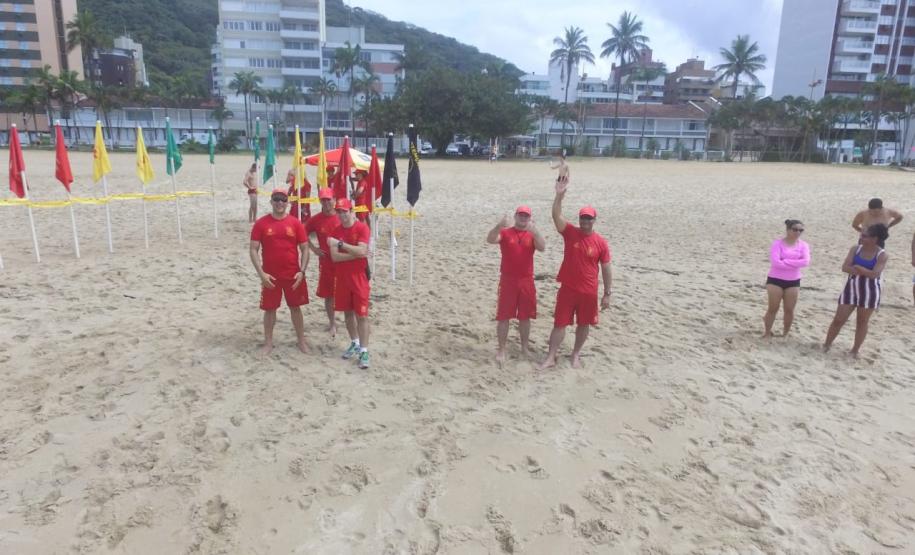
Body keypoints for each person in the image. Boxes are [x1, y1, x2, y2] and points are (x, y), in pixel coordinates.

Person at [540, 177, 612, 369]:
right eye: (583, 218)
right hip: (568, 288)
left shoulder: (601, 242)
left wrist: (607, 293)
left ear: (594, 220)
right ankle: (551, 356)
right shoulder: (571, 232)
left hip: (589, 291)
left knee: (584, 324)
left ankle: (576, 354)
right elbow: (556, 216)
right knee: (559, 324)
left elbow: (606, 268)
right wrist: (559, 195)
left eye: (589, 218)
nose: (585, 221)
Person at [249, 188, 311, 356]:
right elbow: (253, 249)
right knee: (270, 310)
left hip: (293, 275)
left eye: (283, 200)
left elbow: (305, 249)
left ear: (287, 202)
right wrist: (261, 274)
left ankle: (301, 341)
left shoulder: (295, 223)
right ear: (271, 201)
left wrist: (302, 271)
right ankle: (268, 343)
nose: (279, 203)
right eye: (276, 199)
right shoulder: (261, 223)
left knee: (296, 308)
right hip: (270, 276)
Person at [486, 206, 546, 366]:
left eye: (526, 216)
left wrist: (536, 231)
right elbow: (490, 239)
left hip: (526, 280)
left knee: (525, 317)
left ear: (529, 218)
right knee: (504, 316)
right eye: (521, 215)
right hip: (508, 280)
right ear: (515, 216)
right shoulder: (506, 232)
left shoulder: (532, 234)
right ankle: (502, 349)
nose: (523, 218)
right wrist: (499, 225)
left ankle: (525, 348)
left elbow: (542, 247)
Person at [823, 224, 889, 358]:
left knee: (862, 322)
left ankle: (855, 350)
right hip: (851, 288)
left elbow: (874, 274)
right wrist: (865, 271)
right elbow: (845, 267)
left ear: (874, 239)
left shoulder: (882, 254)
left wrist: (858, 267)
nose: (861, 237)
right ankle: (827, 344)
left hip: (870, 291)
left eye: (864, 236)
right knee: (838, 319)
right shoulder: (855, 249)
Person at [329, 198, 372, 369]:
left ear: (351, 211)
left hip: (359, 277)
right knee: (347, 314)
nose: (342, 215)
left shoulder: (361, 227)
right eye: (339, 212)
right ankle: (354, 342)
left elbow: (362, 250)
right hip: (342, 278)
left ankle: (364, 350)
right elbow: (335, 257)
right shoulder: (335, 230)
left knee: (362, 315)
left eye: (344, 211)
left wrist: (340, 244)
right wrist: (356, 253)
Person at [762, 219, 810, 338]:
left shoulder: (803, 245)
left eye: (800, 230)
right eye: (795, 229)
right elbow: (776, 262)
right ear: (788, 230)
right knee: (773, 308)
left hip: (793, 281)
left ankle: (785, 333)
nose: (798, 232)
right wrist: (795, 262)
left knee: (789, 309)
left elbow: (805, 262)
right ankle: (767, 332)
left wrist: (786, 261)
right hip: (775, 279)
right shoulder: (777, 244)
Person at [305, 188, 341, 337]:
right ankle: (332, 323)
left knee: (348, 293)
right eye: (323, 200)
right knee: (328, 295)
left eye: (329, 199)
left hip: (344, 263)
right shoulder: (316, 219)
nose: (326, 203)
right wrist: (314, 249)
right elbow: (302, 233)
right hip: (326, 263)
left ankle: (352, 320)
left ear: (334, 200)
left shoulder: (342, 216)